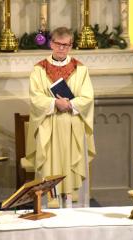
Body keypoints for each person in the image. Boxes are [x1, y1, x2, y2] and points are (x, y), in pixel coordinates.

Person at [22, 27, 96, 208]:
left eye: (66, 45)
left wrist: (70, 104)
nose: (62, 48)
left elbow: (87, 97)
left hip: (73, 126)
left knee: (73, 167)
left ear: (71, 46)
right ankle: (48, 208)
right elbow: (35, 97)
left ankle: (74, 209)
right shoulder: (39, 69)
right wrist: (55, 103)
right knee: (49, 167)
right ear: (51, 44)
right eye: (58, 44)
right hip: (49, 127)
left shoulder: (81, 69)